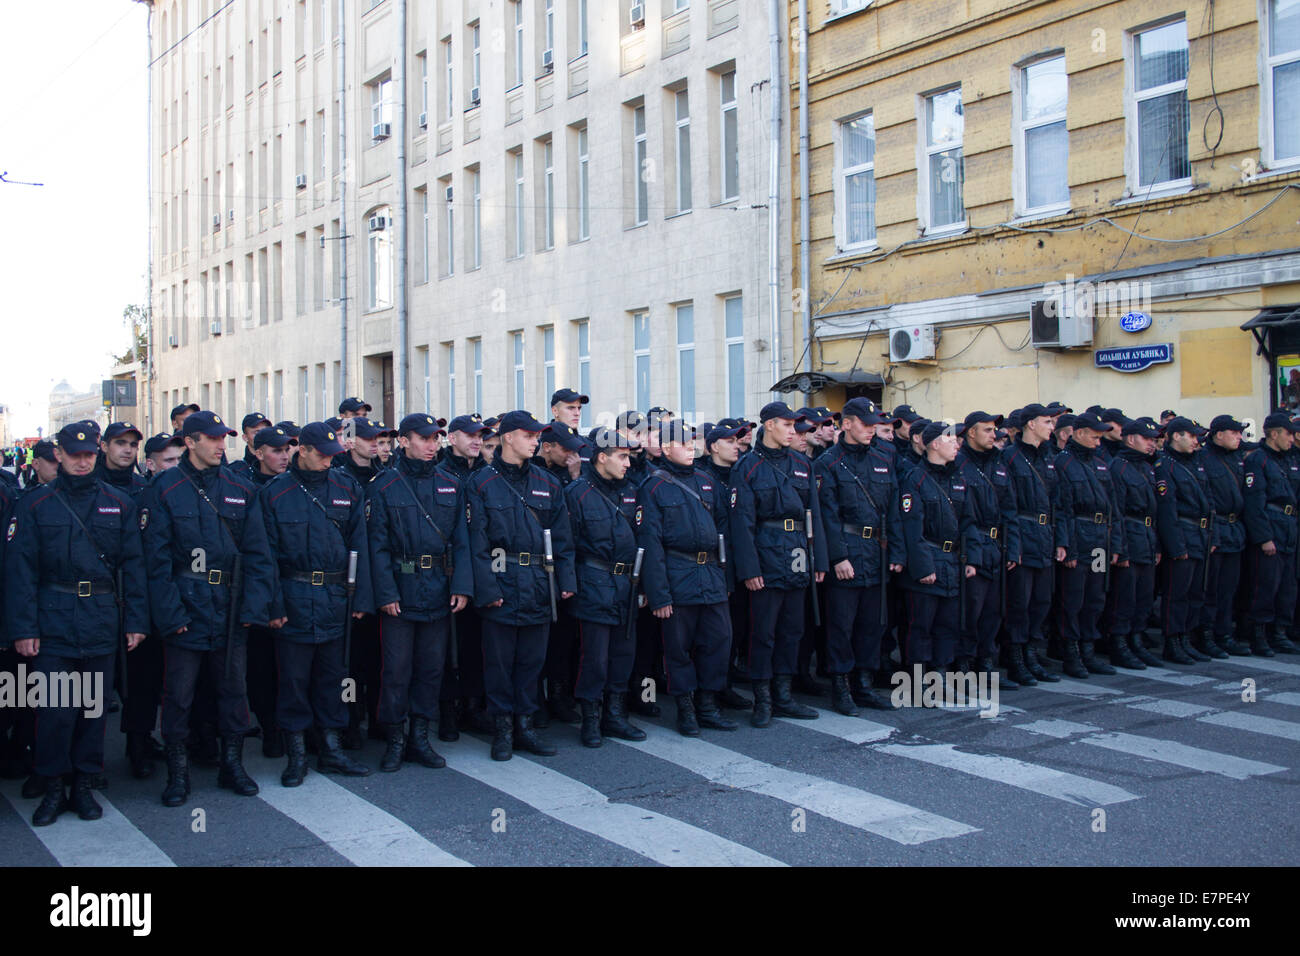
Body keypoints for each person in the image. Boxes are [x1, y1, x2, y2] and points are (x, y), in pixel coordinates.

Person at [6, 423, 149, 826]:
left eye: (88, 455)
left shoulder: (117, 502)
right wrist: (23, 629)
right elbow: (20, 572)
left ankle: (84, 784)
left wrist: (135, 620)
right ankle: (53, 785)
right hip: (52, 620)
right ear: (59, 457)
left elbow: (133, 568)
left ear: (97, 453)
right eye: (74, 455)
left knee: (92, 710)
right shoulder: (34, 505)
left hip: (102, 617)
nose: (82, 461)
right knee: (54, 711)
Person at [141, 411, 276, 806]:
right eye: (213, 439)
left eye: (224, 439)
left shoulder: (239, 487)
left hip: (230, 606)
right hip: (186, 605)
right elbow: (156, 561)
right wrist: (170, 615)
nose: (222, 446)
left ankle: (232, 765)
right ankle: (178, 773)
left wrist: (254, 608)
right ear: (190, 441)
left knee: (233, 690)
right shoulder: (165, 488)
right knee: (179, 695)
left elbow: (258, 553)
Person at [247, 422, 374, 785]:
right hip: (294, 596)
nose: (328, 462)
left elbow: (359, 546)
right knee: (294, 681)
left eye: (333, 456)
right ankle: (297, 753)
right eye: (321, 455)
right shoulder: (274, 493)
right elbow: (263, 556)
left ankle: (331, 748)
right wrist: (273, 606)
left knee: (333, 678)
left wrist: (361, 597)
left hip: (335, 597)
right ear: (301, 450)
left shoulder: (346, 487)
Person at [465, 411, 576, 760]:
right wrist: (488, 589)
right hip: (501, 580)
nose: (535, 441)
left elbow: (563, 538)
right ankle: (502, 729)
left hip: (538, 582)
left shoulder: (548, 482)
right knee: (499, 663)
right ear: (508, 437)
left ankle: (525, 725)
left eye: (537, 436)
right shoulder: (481, 482)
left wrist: (565, 580)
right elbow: (476, 543)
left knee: (531, 660)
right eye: (528, 435)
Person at [366, 414, 474, 772]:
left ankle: (420, 738)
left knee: (431, 669)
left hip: (439, 589)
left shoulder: (450, 483)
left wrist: (461, 585)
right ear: (404, 441)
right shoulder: (383, 485)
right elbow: (377, 547)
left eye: (436, 438)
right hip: (401, 587)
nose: (432, 445)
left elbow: (462, 541)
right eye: (424, 438)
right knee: (397, 670)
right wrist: (385, 593)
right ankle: (395, 738)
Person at [636, 420, 739, 736]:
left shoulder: (706, 482)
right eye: (683, 443)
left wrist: (727, 578)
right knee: (678, 649)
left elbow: (724, 531)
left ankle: (707, 704)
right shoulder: (653, 486)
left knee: (719, 641)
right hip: (677, 574)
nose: (691, 448)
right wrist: (659, 594)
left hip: (710, 573)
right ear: (666, 448)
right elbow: (650, 543)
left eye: (693, 442)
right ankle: (686, 709)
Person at [729, 402, 825, 726]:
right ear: (769, 425)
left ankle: (784, 695)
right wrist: (750, 569)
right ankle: (763, 697)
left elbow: (815, 515)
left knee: (792, 630)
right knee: (763, 632)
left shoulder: (802, 464)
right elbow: (741, 524)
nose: (792, 431)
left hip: (797, 553)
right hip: (766, 554)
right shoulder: (747, 467)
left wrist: (819, 559)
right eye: (786, 425)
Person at [813, 398, 903, 713]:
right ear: (847, 423)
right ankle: (841, 686)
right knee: (841, 625)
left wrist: (896, 550)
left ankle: (863, 684)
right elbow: (827, 515)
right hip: (849, 551)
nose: (871, 430)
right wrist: (838, 557)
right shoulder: (828, 463)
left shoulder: (882, 458)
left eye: (873, 424)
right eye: (865, 424)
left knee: (872, 623)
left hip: (876, 552)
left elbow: (892, 509)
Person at [564, 427, 649, 745]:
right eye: (622, 456)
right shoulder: (578, 493)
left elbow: (644, 539)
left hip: (626, 583)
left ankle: (614, 715)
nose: (628, 463)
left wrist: (644, 587)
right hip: (593, 582)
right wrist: (570, 586)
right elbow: (567, 545)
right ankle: (590, 718)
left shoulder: (632, 491)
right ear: (602, 457)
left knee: (623, 654)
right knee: (595, 658)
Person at [240, 425, 297, 758]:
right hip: (260, 591)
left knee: (289, 667)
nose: (283, 456)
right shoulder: (246, 488)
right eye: (276, 450)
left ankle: (292, 728)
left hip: (290, 589)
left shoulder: (292, 487)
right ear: (258, 452)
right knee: (261, 666)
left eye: (287, 449)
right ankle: (270, 726)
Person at [435, 415, 494, 737]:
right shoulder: (440, 473)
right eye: (470, 435)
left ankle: (473, 705)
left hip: (481, 568)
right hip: (448, 571)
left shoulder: (486, 475)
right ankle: (447, 709)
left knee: (475, 644)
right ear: (452, 438)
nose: (476, 440)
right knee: (445, 647)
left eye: (480, 435)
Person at [955, 411, 1021, 686]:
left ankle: (986, 664)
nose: (993, 435)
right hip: (973, 544)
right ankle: (964, 666)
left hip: (996, 545)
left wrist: (1013, 546)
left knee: (994, 611)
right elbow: (958, 514)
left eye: (994, 430)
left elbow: (1010, 508)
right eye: (987, 430)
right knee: (971, 611)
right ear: (971, 433)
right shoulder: (958, 464)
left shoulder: (1000, 463)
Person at [1053, 412, 1121, 678]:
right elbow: (1063, 508)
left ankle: (1088, 651)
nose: (1098, 441)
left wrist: (1115, 543)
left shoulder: (1100, 462)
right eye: (1094, 435)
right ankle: (1071, 654)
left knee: (1095, 596)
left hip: (1098, 542)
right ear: (1078, 433)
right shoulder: (1063, 462)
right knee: (1073, 598)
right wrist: (1067, 546)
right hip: (1079, 539)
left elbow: (1112, 507)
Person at [897, 422, 967, 676]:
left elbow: (966, 522)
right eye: (951, 441)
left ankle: (940, 673)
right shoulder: (915, 479)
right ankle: (918, 679)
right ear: (934, 444)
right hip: (928, 561)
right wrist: (924, 567)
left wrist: (968, 559)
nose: (957, 445)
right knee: (921, 626)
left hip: (951, 561)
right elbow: (912, 528)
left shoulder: (957, 477)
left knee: (948, 624)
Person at [1001, 405, 1061, 682]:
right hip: (1023, 537)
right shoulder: (1009, 458)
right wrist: (1013, 547)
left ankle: (1032, 654)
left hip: (1044, 536)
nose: (1052, 426)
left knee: (1041, 600)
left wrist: (1061, 541)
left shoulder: (1048, 457)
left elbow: (1058, 503)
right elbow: (1007, 507)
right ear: (1030, 425)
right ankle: (1016, 659)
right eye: (1046, 422)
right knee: (1019, 603)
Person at [697, 421, 753, 709]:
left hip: (739, 559)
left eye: (738, 442)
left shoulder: (740, 473)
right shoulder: (703, 477)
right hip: (715, 565)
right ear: (714, 446)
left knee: (736, 630)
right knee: (716, 633)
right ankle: (712, 689)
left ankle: (726, 681)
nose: (737, 446)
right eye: (730, 441)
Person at [1154, 417, 1217, 663]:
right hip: (1182, 533)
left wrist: (1213, 535)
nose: (1196, 441)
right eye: (1191, 436)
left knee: (1195, 592)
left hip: (1200, 534)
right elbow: (1167, 510)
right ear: (1176, 436)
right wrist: (1176, 546)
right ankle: (1173, 640)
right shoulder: (1165, 466)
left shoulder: (1196, 463)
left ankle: (1186, 638)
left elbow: (1209, 500)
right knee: (1176, 593)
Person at [1242, 413, 1300, 656]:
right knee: (1265, 585)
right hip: (1271, 525)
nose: (1292, 438)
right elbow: (1254, 502)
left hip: (1289, 526)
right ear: (1274, 433)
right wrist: (1264, 537)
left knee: (1288, 585)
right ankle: (1259, 635)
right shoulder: (1258, 460)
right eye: (1288, 433)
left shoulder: (1289, 459)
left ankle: (1280, 632)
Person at [1108, 418, 1164, 668]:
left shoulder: (1146, 467)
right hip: (1130, 535)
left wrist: (1158, 546)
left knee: (1144, 596)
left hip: (1147, 537)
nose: (1153, 444)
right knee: (1125, 598)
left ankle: (1136, 641)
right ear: (1131, 439)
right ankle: (1119, 644)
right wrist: (1120, 549)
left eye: (1154, 440)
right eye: (1148, 439)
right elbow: (1116, 511)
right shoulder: (1118, 467)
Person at [1201, 415, 1250, 656]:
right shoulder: (1204, 458)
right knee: (1211, 588)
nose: (1239, 437)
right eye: (1235, 432)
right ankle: (1206, 635)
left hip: (1234, 529)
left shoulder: (1237, 458)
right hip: (1215, 527)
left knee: (1229, 588)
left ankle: (1224, 634)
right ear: (1219, 434)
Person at [226, 413, 272, 482]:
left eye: (265, 431)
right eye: (257, 432)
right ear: (245, 438)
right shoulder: (236, 471)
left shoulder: (279, 466)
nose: (263, 436)